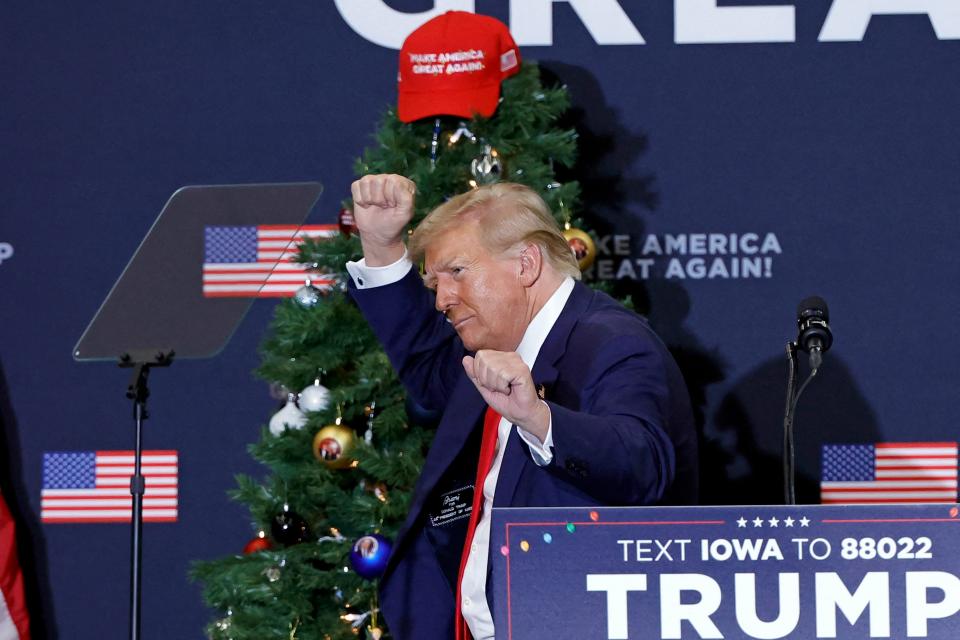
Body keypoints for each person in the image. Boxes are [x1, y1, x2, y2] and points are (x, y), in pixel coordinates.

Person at [346, 174, 698, 640]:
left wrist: (539, 419)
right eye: (434, 282)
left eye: (456, 272)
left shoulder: (611, 343)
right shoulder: (498, 344)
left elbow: (644, 463)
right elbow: (430, 369)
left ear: (526, 263)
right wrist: (380, 244)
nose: (442, 300)